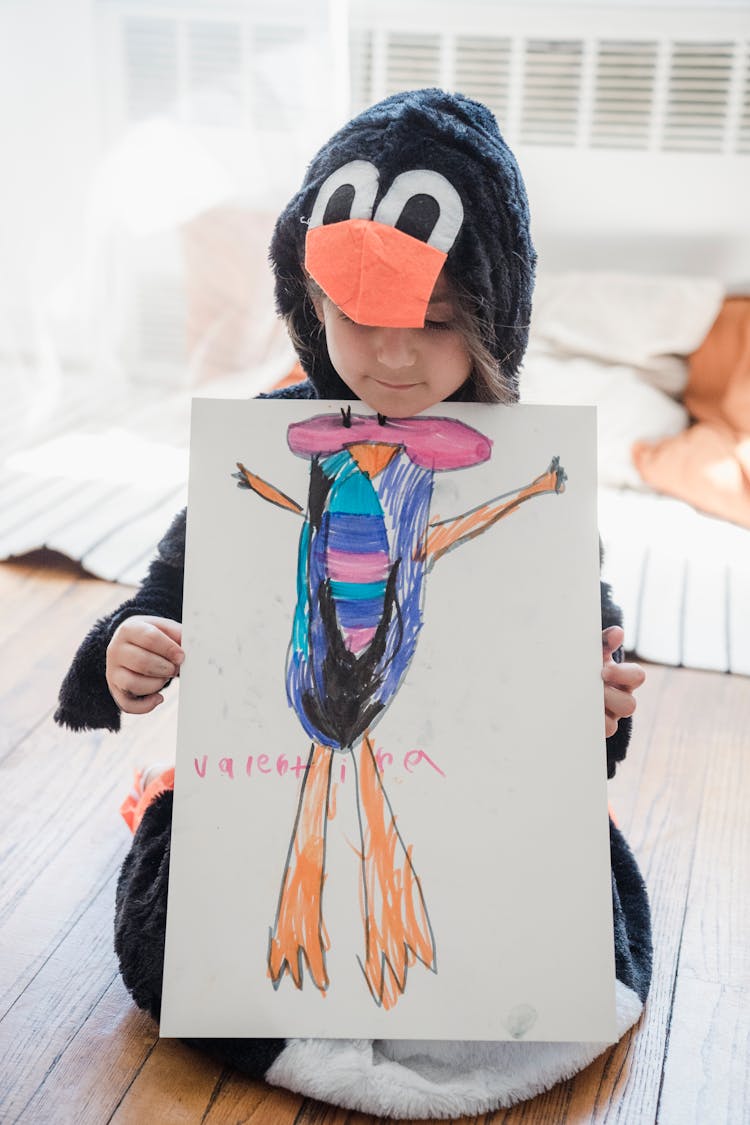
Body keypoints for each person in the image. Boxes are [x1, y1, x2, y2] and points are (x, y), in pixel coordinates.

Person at [54, 88, 651, 1118]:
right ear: (305, 300)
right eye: (355, 318)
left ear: (492, 315)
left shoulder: (527, 460)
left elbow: (564, 666)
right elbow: (167, 593)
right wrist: (127, 648)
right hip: (288, 741)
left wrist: (593, 704)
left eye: (433, 321)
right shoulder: (265, 440)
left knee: (560, 913)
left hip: (468, 783)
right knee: (180, 920)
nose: (390, 355)